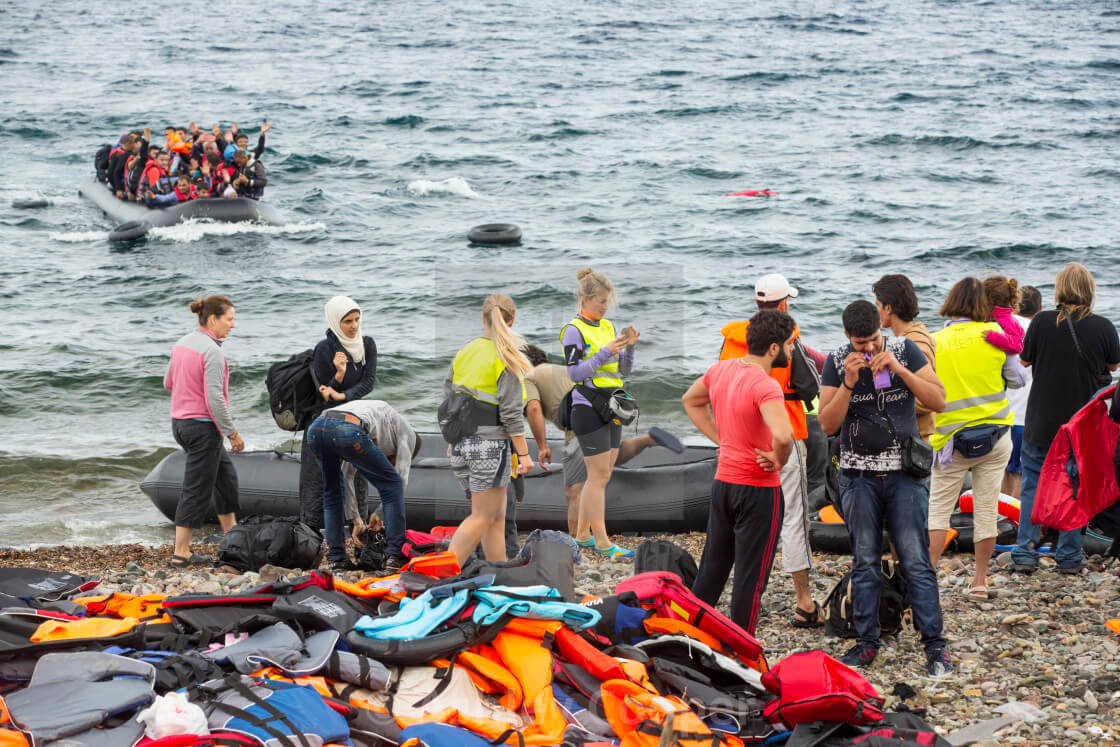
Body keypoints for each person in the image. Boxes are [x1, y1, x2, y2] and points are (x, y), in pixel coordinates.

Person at [817, 300, 951, 676]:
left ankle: (935, 647)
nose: (869, 349)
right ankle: (866, 642)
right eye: (861, 343)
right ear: (848, 337)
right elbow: (827, 425)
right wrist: (847, 382)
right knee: (865, 560)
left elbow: (938, 399)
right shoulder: (836, 360)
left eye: (874, 340)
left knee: (916, 560)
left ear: (883, 329)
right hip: (858, 478)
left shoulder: (904, 349)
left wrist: (899, 369)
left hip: (905, 476)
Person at [718, 273, 822, 628]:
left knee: (736, 526)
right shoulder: (787, 339)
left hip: (736, 443)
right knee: (794, 517)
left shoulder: (733, 341)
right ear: (781, 306)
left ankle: (738, 602)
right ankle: (804, 602)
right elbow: (811, 386)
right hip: (782, 437)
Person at [683, 310, 796, 635]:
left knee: (711, 573)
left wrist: (723, 439)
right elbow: (784, 435)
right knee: (750, 581)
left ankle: (684, 640)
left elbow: (690, 401)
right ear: (774, 348)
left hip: (724, 486)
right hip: (758, 491)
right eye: (788, 345)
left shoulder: (721, 370)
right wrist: (778, 459)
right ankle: (740, 656)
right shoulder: (766, 385)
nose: (790, 351)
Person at [1012, 263, 1120, 574]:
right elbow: (1113, 366)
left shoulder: (1042, 322)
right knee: (1076, 489)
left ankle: (1024, 555)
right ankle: (1070, 558)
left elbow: (1025, 360)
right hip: (1081, 427)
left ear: (1060, 290)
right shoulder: (1102, 327)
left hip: (1041, 421)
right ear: (1089, 291)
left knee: (1032, 485)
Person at [520, 344, 681, 542]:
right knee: (608, 459)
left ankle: (578, 540)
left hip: (581, 423)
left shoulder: (529, 376)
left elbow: (533, 409)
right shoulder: (561, 370)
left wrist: (543, 446)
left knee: (574, 489)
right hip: (604, 411)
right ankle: (647, 440)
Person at [926, 278, 1021, 602]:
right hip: (995, 436)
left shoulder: (935, 341)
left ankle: (927, 578)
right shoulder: (995, 339)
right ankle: (980, 581)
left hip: (951, 439)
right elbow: (1017, 380)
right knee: (986, 509)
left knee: (938, 510)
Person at [445, 294, 534, 564]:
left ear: (483, 318)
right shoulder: (506, 357)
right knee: (482, 517)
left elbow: (450, 399)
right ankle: (438, 575)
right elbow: (510, 413)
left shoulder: (465, 352)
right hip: (489, 447)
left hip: (462, 444)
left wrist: (453, 438)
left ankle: (499, 573)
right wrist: (524, 453)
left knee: (495, 518)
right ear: (512, 320)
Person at [562, 268, 640, 559]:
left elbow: (624, 371)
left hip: (613, 404)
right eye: (601, 302)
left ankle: (583, 536)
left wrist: (629, 348)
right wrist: (605, 352)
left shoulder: (608, 326)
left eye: (608, 302)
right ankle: (603, 543)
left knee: (603, 475)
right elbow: (575, 373)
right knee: (598, 476)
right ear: (585, 298)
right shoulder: (573, 329)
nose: (605, 307)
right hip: (587, 406)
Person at [163, 295, 243, 567]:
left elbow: (168, 382)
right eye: (229, 319)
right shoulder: (213, 352)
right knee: (196, 489)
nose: (233, 325)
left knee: (226, 478)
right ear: (213, 319)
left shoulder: (183, 343)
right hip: (202, 428)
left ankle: (232, 537)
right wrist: (232, 432)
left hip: (180, 424)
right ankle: (181, 552)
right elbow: (214, 399)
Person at [305, 400, 416, 571]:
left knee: (332, 492)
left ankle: (337, 559)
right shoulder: (407, 433)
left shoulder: (375, 430)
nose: (390, 464)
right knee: (393, 484)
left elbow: (347, 475)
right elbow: (401, 479)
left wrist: (356, 519)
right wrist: (380, 513)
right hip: (347, 428)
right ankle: (395, 556)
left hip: (317, 429)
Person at [298, 296, 378, 533]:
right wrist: (340, 374)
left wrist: (343, 395)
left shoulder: (367, 345)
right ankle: (312, 533)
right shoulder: (324, 348)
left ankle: (358, 528)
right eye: (347, 321)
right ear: (335, 322)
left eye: (356, 319)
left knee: (358, 477)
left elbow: (368, 383)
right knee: (319, 479)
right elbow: (324, 392)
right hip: (324, 422)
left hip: (354, 419)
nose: (354, 326)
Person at [873, 274, 937, 443]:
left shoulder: (915, 342)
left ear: (888, 308)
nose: (876, 311)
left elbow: (927, 399)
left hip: (913, 442)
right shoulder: (908, 338)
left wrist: (882, 405)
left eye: (877, 305)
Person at [1002, 285, 1041, 499]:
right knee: (1019, 474)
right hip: (1025, 414)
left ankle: (998, 520)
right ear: (1040, 308)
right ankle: (1013, 523)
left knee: (1001, 471)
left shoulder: (1003, 327)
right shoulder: (1039, 329)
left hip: (1001, 412)